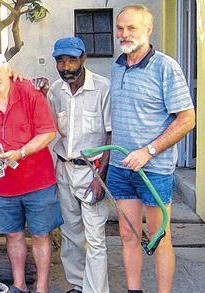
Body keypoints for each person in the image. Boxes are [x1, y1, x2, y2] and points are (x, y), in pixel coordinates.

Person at [108, 5, 195, 293]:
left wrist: (150, 150)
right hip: (121, 169)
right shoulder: (117, 64)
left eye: (131, 28)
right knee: (127, 234)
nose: (124, 34)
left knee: (160, 237)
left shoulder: (165, 67)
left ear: (148, 30)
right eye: (120, 28)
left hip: (154, 169)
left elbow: (187, 119)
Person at [0, 51, 63, 293]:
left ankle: (41, 287)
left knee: (41, 235)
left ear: (7, 70)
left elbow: (48, 132)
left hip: (38, 181)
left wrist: (21, 152)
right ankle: (19, 284)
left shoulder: (28, 92)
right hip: (3, 185)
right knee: (13, 235)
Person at [47, 37, 111, 293]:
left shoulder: (103, 88)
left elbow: (110, 135)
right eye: (60, 61)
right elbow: (49, 127)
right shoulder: (55, 90)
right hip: (64, 168)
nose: (66, 67)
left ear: (83, 58)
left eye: (72, 60)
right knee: (71, 234)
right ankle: (77, 285)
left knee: (95, 238)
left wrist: (101, 177)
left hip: (93, 170)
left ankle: (95, 291)